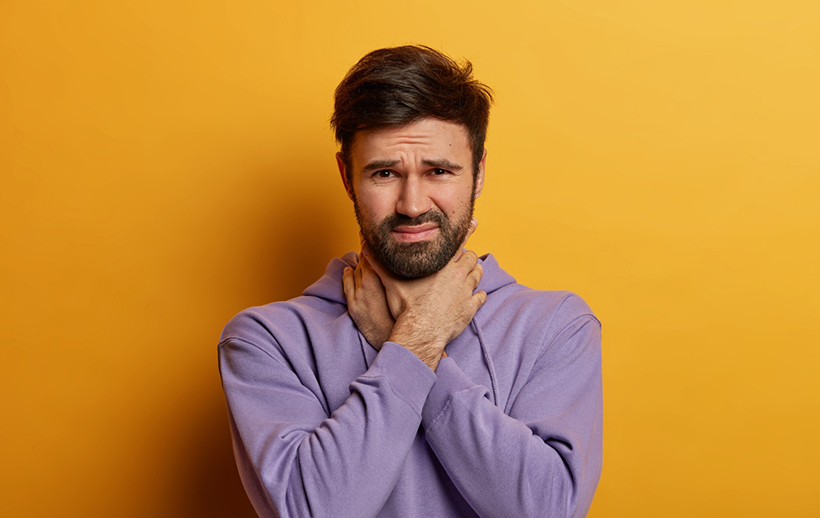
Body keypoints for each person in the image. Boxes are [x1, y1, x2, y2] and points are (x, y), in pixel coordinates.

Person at [218, 45, 603, 518]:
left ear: (478, 173)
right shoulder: (266, 341)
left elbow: (548, 511)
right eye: (385, 173)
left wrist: (404, 340)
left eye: (438, 171)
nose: (413, 204)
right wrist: (416, 343)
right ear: (347, 177)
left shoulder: (556, 326)